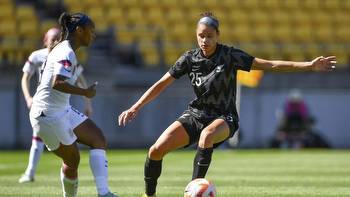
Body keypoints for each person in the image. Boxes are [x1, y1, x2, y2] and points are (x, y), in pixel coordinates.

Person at [118, 12, 336, 197]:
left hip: (225, 117)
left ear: (218, 35)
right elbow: (160, 84)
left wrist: (309, 65)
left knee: (207, 136)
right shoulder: (188, 59)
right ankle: (148, 194)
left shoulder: (230, 55)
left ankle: (195, 189)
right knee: (155, 150)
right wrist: (135, 106)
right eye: (201, 36)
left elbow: (270, 64)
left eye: (209, 36)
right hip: (196, 114)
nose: (205, 40)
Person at [29, 12, 117, 197]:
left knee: (97, 138)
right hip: (48, 114)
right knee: (72, 160)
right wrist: (86, 92)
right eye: (91, 31)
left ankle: (104, 193)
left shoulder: (65, 49)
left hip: (61, 110)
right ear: (79, 30)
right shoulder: (65, 51)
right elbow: (58, 82)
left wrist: (85, 90)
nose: (93, 35)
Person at [19, 28, 93, 183]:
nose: (54, 41)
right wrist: (28, 97)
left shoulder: (65, 54)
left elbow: (80, 79)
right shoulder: (37, 55)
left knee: (58, 144)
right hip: (43, 104)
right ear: (44, 40)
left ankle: (31, 173)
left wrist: (88, 102)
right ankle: (30, 172)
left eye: (57, 38)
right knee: (38, 137)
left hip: (60, 105)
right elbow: (25, 77)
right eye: (51, 38)